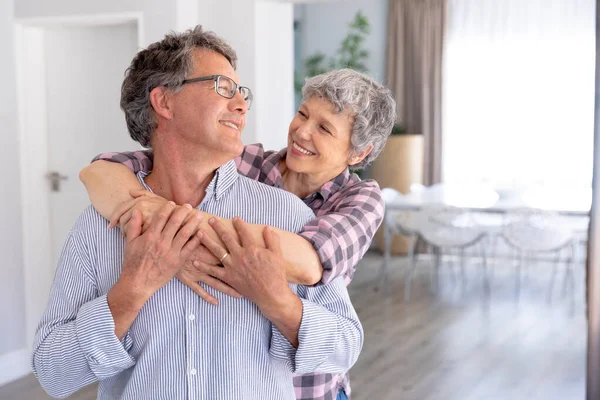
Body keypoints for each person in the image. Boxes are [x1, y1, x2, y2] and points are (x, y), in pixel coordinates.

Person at [31, 26, 363, 400]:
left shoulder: (286, 215)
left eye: (242, 93)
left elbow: (346, 346)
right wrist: (131, 291)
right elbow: (52, 373)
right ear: (164, 102)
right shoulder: (98, 226)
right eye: (223, 87)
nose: (241, 105)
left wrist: (278, 301)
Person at [80, 66, 397, 399]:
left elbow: (307, 263)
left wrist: (173, 228)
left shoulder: (361, 199)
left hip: (310, 386)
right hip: (241, 376)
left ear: (359, 153)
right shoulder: (245, 163)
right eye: (302, 114)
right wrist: (155, 217)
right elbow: (101, 171)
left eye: (324, 128)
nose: (302, 132)